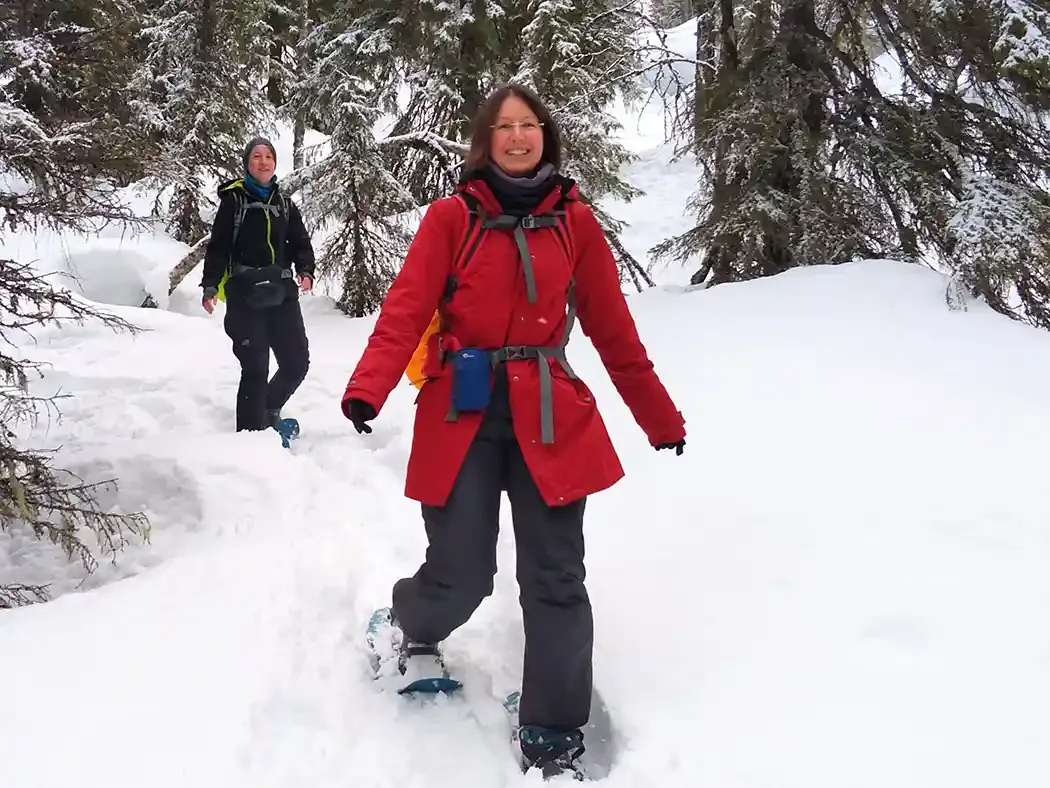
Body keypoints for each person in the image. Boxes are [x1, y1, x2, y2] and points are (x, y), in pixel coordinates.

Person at [340, 84, 686, 777]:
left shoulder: (575, 224)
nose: (519, 136)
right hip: (462, 410)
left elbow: (614, 330)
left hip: (550, 414)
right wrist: (367, 388)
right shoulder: (451, 218)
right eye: (505, 126)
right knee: (461, 572)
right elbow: (406, 310)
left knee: (557, 577)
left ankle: (553, 732)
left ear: (546, 137)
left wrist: (658, 416)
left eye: (530, 124)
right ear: (485, 139)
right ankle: (410, 623)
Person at [200, 136, 315, 433]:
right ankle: (250, 438)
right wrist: (210, 286)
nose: (263, 162)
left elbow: (301, 243)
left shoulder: (285, 205)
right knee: (255, 368)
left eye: (268, 157)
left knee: (296, 363)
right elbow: (219, 247)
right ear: (247, 163)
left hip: (282, 294)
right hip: (244, 295)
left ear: (275, 163)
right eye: (256, 156)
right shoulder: (234, 201)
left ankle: (269, 409)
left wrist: (306, 270)